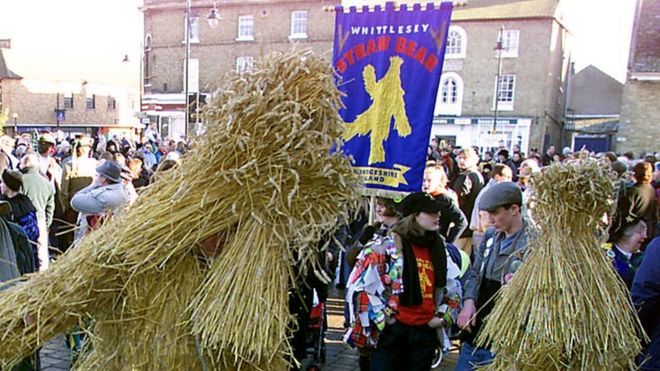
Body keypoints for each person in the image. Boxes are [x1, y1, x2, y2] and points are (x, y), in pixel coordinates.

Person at [347, 192, 448, 371]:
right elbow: (363, 285)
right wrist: (385, 318)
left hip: (425, 331)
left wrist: (440, 318)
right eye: (431, 212)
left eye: (438, 212)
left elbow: (452, 286)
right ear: (415, 216)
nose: (438, 216)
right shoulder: (388, 245)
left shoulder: (439, 246)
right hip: (394, 331)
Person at [457, 182, 531, 370]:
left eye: (495, 213)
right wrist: (469, 301)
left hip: (506, 335)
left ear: (514, 209)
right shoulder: (490, 236)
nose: (489, 220)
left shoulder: (534, 243)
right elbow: (475, 272)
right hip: (477, 329)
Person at [70, 161, 130, 242]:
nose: (95, 176)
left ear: (104, 178)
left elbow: (75, 201)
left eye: (97, 175)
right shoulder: (122, 192)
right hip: (110, 238)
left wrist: (93, 185)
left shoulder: (102, 196)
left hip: (91, 240)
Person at [59, 137, 98, 252]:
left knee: (71, 235)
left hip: (73, 205)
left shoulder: (68, 165)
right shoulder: (93, 164)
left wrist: (66, 206)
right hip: (91, 205)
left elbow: (64, 190)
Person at [19, 153, 55, 270]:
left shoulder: (20, 181)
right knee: (42, 254)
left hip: (23, 221)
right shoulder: (47, 183)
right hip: (40, 220)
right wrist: (47, 223)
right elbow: (50, 207)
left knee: (24, 252)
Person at [612, 161, 657, 244]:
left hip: (631, 234)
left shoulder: (632, 192)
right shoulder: (651, 189)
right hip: (648, 231)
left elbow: (624, 215)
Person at [470, 164, 513, 250]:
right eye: (507, 177)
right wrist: (490, 234)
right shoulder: (491, 192)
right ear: (497, 177)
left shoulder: (490, 190)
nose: (510, 181)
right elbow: (485, 217)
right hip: (482, 233)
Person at [423, 162, 468, 244]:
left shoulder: (444, 199)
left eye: (429, 181)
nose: (426, 184)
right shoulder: (421, 197)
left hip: (436, 244)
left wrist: (448, 243)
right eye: (424, 180)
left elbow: (461, 222)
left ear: (438, 181)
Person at [451, 148, 484, 256]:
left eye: (464, 158)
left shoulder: (467, 177)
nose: (461, 161)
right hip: (470, 224)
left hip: (462, 224)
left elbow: (459, 201)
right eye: (459, 158)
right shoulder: (476, 175)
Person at [0, 169, 40, 247]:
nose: (0, 185)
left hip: (19, 249)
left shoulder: (24, 204)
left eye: (2, 182)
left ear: (9, 185)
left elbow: (31, 232)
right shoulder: (2, 201)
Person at [606, 218, 647, 289]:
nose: (645, 236)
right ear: (625, 233)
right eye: (640, 232)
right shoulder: (606, 253)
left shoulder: (644, 259)